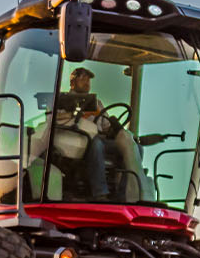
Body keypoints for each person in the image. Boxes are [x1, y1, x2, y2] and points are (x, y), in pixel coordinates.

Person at [27, 67, 153, 202]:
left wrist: (113, 129)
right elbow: (52, 119)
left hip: (98, 139)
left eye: (88, 79)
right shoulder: (61, 100)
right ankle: (100, 193)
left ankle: (123, 195)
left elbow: (106, 126)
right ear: (72, 82)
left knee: (136, 148)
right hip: (75, 142)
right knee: (96, 144)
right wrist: (75, 113)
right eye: (82, 79)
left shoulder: (97, 103)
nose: (86, 82)